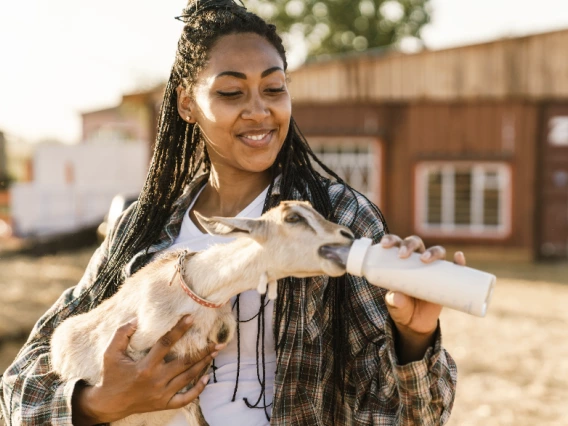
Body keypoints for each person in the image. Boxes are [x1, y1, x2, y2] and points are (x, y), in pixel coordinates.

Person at [0, 1, 461, 424]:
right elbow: (20, 388)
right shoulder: (141, 229)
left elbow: (418, 415)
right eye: (231, 93)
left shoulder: (337, 218)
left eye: (274, 88)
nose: (259, 111)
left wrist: (415, 336)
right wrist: (99, 403)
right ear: (187, 103)